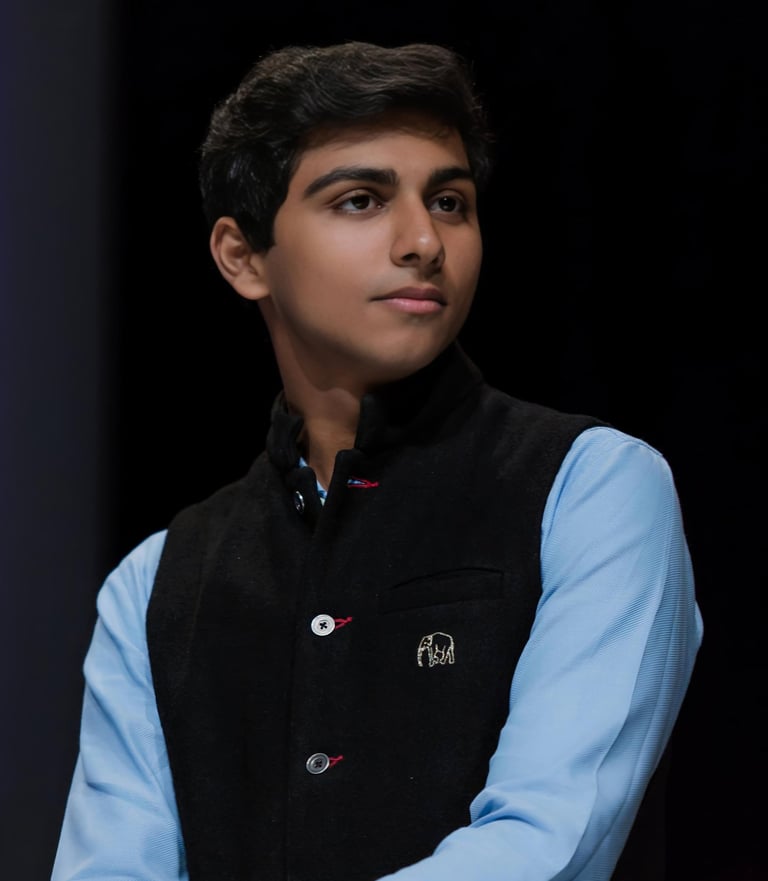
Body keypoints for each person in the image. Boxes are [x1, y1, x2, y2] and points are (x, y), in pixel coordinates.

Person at [51, 41, 703, 881]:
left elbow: (547, 842)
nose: (423, 240)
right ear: (242, 256)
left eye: (450, 202)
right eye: (360, 200)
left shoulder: (590, 487)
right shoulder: (158, 582)